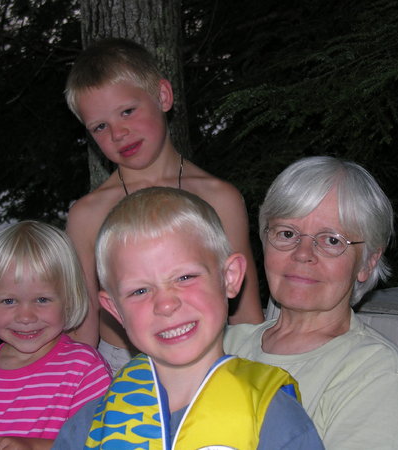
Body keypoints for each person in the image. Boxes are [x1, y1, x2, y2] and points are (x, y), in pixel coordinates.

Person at [52, 187, 323, 449]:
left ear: (229, 277)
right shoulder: (87, 431)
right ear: (115, 310)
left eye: (185, 277)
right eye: (140, 291)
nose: (166, 304)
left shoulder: (275, 421)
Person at [63, 38, 264, 373]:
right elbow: (82, 332)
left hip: (210, 361)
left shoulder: (220, 199)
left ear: (163, 96)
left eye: (127, 111)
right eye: (100, 127)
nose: (118, 133)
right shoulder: (87, 216)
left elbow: (245, 317)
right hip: (120, 369)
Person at [224, 156, 398, 449]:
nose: (303, 253)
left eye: (332, 240)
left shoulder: (375, 374)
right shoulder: (223, 345)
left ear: (368, 262)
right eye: (287, 233)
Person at [0, 221, 112, 450]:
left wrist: (33, 446)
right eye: (9, 301)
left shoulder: (84, 368)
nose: (26, 317)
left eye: (42, 300)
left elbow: (100, 443)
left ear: (69, 301)